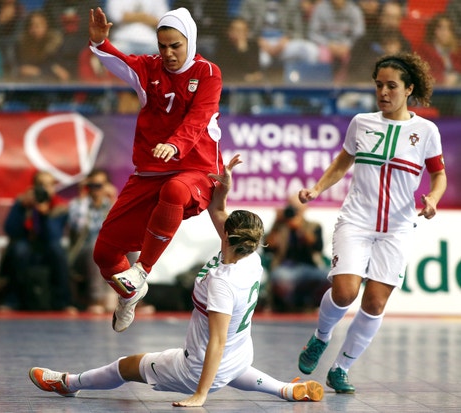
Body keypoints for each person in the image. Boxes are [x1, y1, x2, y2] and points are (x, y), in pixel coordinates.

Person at [29, 154, 325, 406]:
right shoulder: (252, 258)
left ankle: (68, 383)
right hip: (239, 355)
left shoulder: (222, 283)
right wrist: (224, 187)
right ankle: (286, 390)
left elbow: (217, 342)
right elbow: (218, 210)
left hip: (196, 368)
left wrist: (200, 395)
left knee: (125, 367)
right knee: (232, 367)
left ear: (227, 236)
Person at [296, 52, 447, 393]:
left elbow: (439, 175)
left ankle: (341, 368)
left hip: (397, 229)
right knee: (345, 292)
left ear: (409, 89)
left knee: (375, 302)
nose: (383, 92)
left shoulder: (426, 131)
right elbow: (342, 162)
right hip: (356, 222)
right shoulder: (361, 123)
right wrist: (317, 189)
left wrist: (433, 199)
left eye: (391, 86)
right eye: (379, 85)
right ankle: (321, 337)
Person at [88, 7, 225, 332]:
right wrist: (100, 43)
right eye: (163, 46)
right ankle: (130, 294)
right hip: (150, 172)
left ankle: (142, 270)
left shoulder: (208, 72)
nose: (168, 53)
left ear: (190, 41)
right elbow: (121, 62)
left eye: (175, 46)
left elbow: (198, 118)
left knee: (175, 190)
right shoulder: (150, 68)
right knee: (104, 253)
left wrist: (175, 145)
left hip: (197, 170)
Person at [0, 171, 75, 312]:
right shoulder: (22, 202)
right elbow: (10, 230)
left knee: (57, 250)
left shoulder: (60, 207)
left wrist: (44, 215)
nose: (45, 189)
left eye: (49, 185)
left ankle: (63, 301)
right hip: (27, 242)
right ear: (33, 187)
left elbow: (54, 235)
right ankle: (12, 300)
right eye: (41, 185)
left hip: (48, 245)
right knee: (19, 250)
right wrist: (22, 207)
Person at [263, 195, 330, 312]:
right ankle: (288, 306)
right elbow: (267, 248)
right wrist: (276, 223)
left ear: (305, 208)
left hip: (310, 267)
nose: (295, 211)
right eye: (292, 207)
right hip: (285, 267)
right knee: (279, 276)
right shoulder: (280, 226)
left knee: (330, 276)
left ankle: (312, 304)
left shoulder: (314, 226)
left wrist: (300, 229)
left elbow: (317, 247)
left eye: (298, 208)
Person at [67, 169, 118, 313]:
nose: (96, 190)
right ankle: (96, 298)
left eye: (99, 185)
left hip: (108, 251)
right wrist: (83, 197)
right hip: (83, 253)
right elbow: (78, 226)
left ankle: (131, 296)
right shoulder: (78, 205)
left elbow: (121, 227)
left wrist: (113, 198)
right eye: (92, 185)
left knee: (131, 250)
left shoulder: (111, 204)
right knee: (95, 247)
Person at [308, 0, 365, 83]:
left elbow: (359, 34)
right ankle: (324, 84)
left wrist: (347, 45)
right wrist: (328, 44)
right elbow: (313, 33)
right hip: (326, 46)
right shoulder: (320, 8)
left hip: (347, 47)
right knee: (323, 55)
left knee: (352, 57)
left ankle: (343, 85)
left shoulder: (354, 10)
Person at [15, 11, 65, 82]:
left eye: (37, 26)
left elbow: (60, 72)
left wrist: (37, 71)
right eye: (31, 26)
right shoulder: (21, 45)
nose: (34, 29)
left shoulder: (55, 45)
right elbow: (20, 69)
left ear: (46, 26)